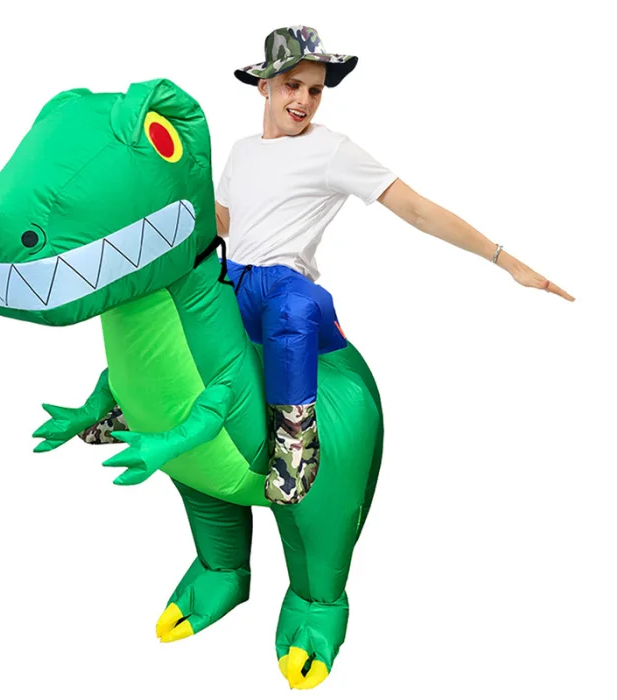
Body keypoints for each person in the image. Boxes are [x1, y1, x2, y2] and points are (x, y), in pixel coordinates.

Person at [214, 25, 574, 506]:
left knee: (295, 306)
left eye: (315, 90)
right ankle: (131, 399)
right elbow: (224, 222)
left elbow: (417, 209)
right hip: (235, 277)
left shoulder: (330, 150)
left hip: (283, 286)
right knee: (190, 293)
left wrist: (503, 259)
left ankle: (296, 442)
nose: (304, 100)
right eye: (292, 86)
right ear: (264, 86)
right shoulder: (242, 151)